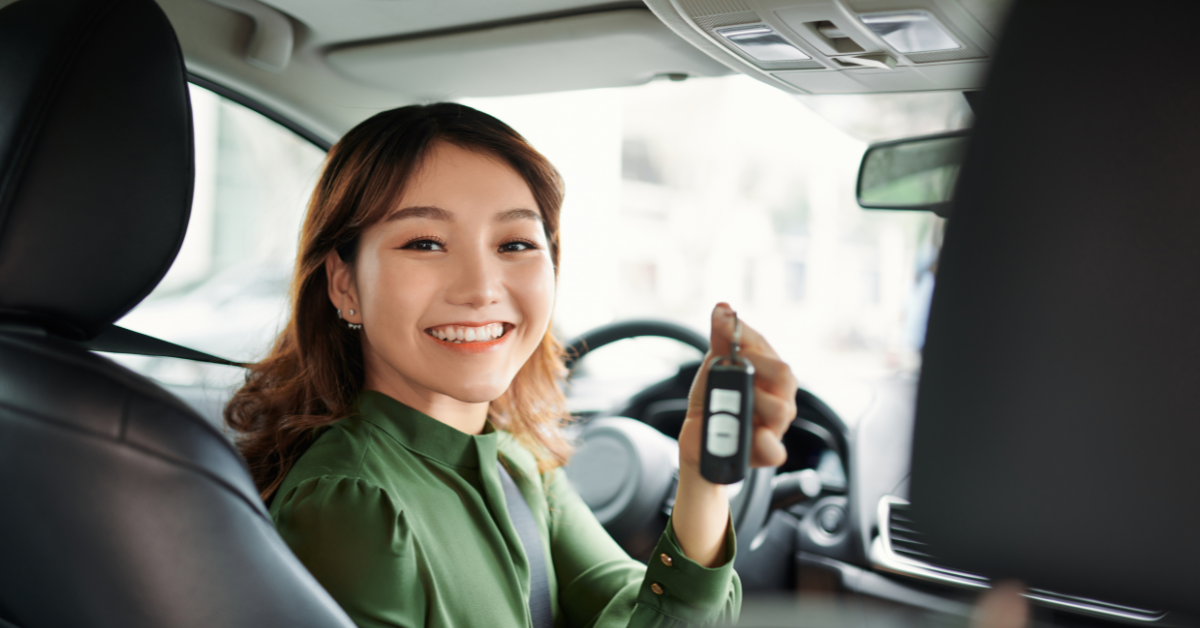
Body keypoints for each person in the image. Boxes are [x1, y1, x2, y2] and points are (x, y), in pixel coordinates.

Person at [225, 103, 797, 628]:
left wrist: (702, 479)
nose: (480, 289)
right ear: (344, 283)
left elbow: (651, 612)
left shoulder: (517, 461)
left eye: (515, 244)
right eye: (425, 243)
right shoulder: (350, 503)